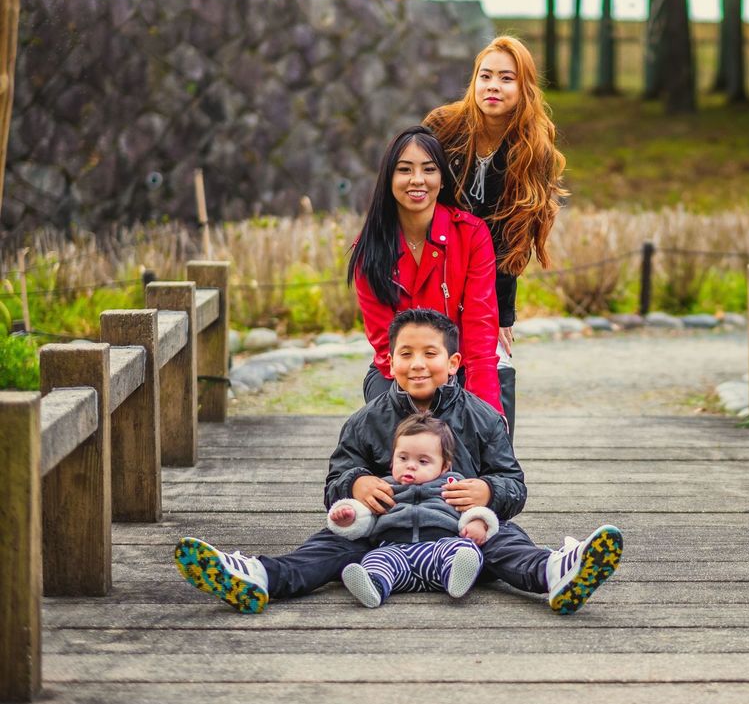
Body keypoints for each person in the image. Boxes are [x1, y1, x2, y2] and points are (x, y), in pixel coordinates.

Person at [174, 308, 622, 615]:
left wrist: (487, 492)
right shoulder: (367, 420)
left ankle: (556, 572)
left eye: (431, 354)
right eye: (406, 354)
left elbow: (512, 482)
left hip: (459, 534)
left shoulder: (482, 416)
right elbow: (336, 479)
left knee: (508, 542)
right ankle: (256, 577)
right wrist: (356, 485)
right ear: (389, 362)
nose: (418, 364)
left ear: (454, 362)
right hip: (382, 539)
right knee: (323, 549)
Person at [424, 35, 569, 433]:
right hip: (432, 264)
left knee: (492, 361)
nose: (493, 86)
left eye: (506, 78)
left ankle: (494, 461)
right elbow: (413, 194)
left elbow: (515, 238)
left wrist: (501, 314)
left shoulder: (533, 147)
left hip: (486, 275)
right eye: (485, 76)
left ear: (524, 88)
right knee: (430, 357)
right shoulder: (442, 127)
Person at [347, 124, 501, 412]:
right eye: (405, 170)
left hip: (459, 366)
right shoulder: (369, 249)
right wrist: (425, 403)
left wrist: (489, 412)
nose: (417, 180)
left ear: (442, 179)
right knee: (406, 436)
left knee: (485, 437)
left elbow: (480, 330)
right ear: (388, 179)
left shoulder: (471, 235)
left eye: (429, 169)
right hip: (399, 371)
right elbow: (385, 344)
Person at [327, 411, 499, 607]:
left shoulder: (452, 485)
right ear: (392, 460)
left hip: (437, 551)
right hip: (395, 552)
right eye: (403, 458)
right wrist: (349, 516)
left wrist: (478, 522)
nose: (411, 466)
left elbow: (471, 509)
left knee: (463, 549)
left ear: (444, 467)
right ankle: (374, 587)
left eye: (423, 461)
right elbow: (366, 518)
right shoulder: (383, 487)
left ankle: (456, 575)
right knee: (375, 559)